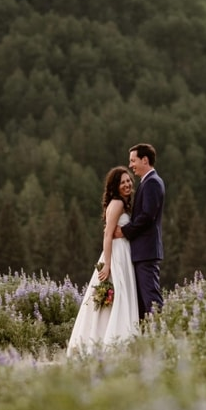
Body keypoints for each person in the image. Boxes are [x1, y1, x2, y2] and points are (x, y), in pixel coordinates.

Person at [66, 166, 140, 355]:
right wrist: (107, 264)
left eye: (128, 180)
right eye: (122, 182)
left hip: (123, 253)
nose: (127, 184)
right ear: (115, 186)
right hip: (116, 255)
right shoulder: (117, 204)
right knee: (118, 295)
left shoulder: (122, 203)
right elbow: (107, 235)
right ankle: (112, 342)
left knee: (118, 296)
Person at [116, 142, 165, 319]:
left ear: (145, 160)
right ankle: (147, 338)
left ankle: (159, 334)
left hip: (146, 252)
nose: (130, 165)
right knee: (143, 302)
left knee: (151, 299)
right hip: (142, 252)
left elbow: (147, 216)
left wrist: (125, 231)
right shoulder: (148, 182)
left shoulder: (152, 183)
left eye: (133, 160)